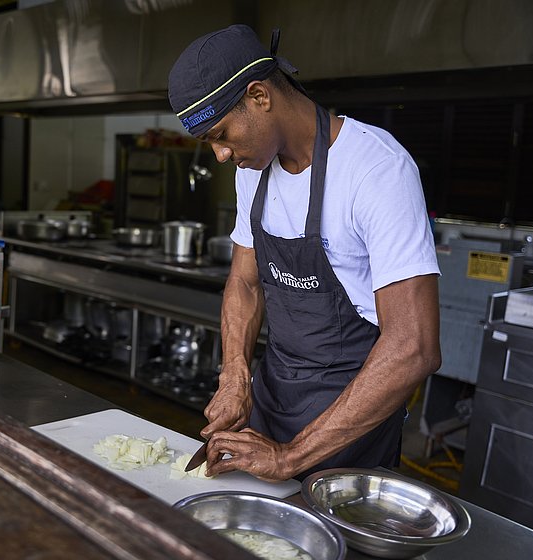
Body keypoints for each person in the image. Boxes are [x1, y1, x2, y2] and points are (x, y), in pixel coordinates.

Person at [167, 24, 441, 481]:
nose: (219, 155)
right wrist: (235, 375)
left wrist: (290, 458)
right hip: (273, 400)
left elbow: (413, 347)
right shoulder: (252, 166)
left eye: (221, 134)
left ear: (259, 96)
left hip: (349, 423)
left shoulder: (376, 169)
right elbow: (244, 281)